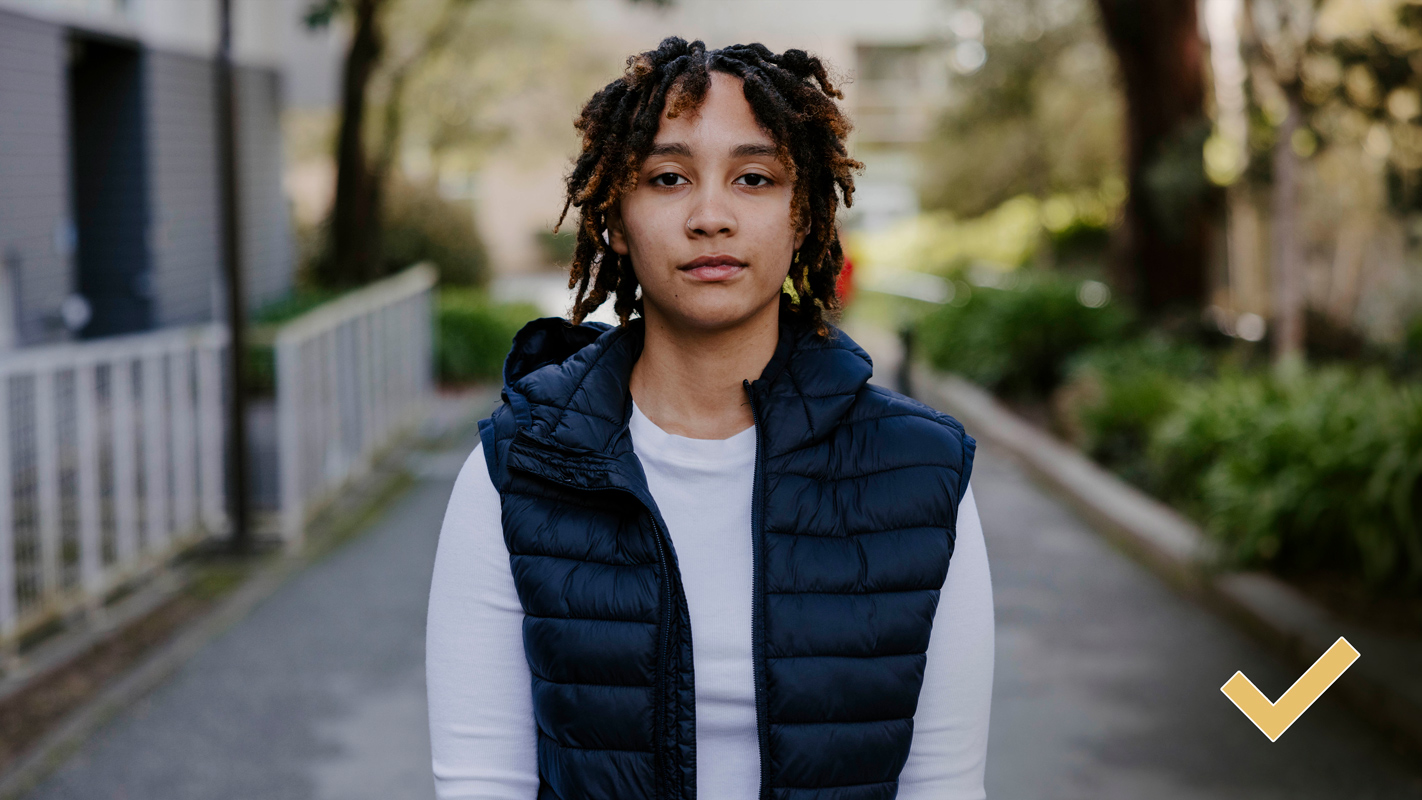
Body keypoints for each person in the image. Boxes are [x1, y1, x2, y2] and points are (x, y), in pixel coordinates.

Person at [426, 38, 993, 800]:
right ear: (617, 221)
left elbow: (943, 791)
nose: (711, 216)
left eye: (753, 178)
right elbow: (481, 785)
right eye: (668, 178)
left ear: (802, 217)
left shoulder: (922, 475)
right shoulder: (518, 469)